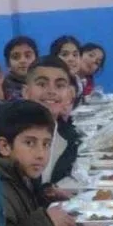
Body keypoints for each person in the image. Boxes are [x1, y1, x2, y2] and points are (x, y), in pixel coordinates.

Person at [0, 100, 75, 226]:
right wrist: (45, 222)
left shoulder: (23, 174)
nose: (40, 154)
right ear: (5, 146)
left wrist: (45, 196)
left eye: (46, 144)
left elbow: (24, 208)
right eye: (29, 143)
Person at [21, 57, 81, 189]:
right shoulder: (9, 134)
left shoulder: (69, 137)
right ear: (26, 92)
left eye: (59, 86)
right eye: (42, 84)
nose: (51, 91)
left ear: (69, 96)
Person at [2, 35, 38, 101]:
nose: (22, 61)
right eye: (16, 57)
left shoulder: (45, 83)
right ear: (8, 64)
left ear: (37, 59)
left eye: (28, 56)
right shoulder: (3, 89)